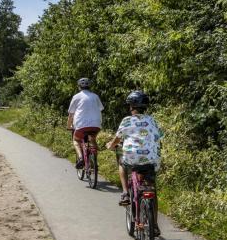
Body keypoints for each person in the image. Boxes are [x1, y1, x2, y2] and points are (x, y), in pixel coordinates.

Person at [106, 90, 162, 226]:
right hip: (151, 159)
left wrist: (110, 145)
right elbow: (159, 136)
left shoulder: (127, 120)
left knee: (121, 162)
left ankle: (125, 192)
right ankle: (154, 225)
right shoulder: (152, 120)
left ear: (131, 106)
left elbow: (117, 139)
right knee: (152, 188)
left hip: (132, 157)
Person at [67, 78, 104, 169]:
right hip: (96, 125)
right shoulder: (95, 96)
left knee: (76, 141)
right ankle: (94, 160)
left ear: (79, 87)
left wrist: (68, 126)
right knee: (92, 139)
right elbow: (100, 109)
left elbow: (71, 114)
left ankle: (80, 158)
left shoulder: (76, 97)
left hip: (81, 125)